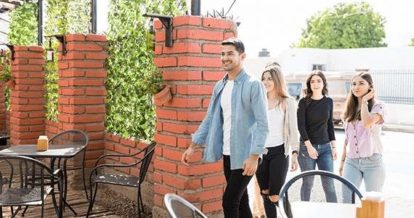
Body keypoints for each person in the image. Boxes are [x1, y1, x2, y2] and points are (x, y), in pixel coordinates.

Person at [181, 38, 269, 218]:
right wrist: (193, 146)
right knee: (241, 202)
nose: (225, 57)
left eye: (230, 53)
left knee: (229, 202)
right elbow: (210, 118)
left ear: (242, 56)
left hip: (246, 156)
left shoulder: (253, 85)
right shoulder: (220, 86)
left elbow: (263, 124)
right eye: (222, 54)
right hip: (229, 155)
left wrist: (254, 156)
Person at [256, 64, 299, 217]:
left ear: (277, 81)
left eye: (270, 79)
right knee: (265, 193)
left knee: (275, 195)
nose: (266, 82)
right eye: (263, 79)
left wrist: (294, 153)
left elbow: (294, 130)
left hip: (279, 153)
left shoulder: (288, 102)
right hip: (260, 153)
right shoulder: (258, 101)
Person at [339, 72, 386, 202]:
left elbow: (367, 123)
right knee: (347, 198)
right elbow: (347, 140)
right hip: (351, 161)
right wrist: (342, 162)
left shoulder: (378, 106)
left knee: (372, 202)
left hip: (373, 162)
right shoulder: (349, 109)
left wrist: (365, 102)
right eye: (354, 84)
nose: (356, 87)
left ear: (370, 87)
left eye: (361, 83)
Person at [296, 70, 337, 202]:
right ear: (309, 84)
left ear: (324, 83)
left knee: (329, 185)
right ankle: (302, 212)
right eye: (312, 81)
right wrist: (309, 147)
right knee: (308, 184)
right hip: (307, 148)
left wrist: (334, 147)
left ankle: (335, 212)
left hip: (325, 148)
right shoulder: (303, 102)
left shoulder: (329, 102)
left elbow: (330, 125)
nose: (316, 83)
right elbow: (301, 126)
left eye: (319, 80)